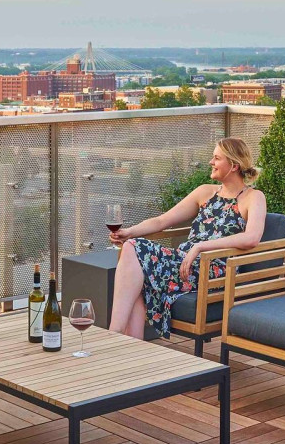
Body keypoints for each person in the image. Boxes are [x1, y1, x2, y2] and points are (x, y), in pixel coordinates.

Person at [108, 137, 267, 340]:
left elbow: (252, 238)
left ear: (234, 165)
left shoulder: (253, 197)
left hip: (213, 268)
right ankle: (129, 343)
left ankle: (115, 335)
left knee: (136, 258)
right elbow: (161, 221)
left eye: (216, 158)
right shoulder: (205, 192)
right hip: (183, 261)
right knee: (133, 249)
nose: (211, 162)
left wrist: (200, 247)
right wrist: (128, 232)